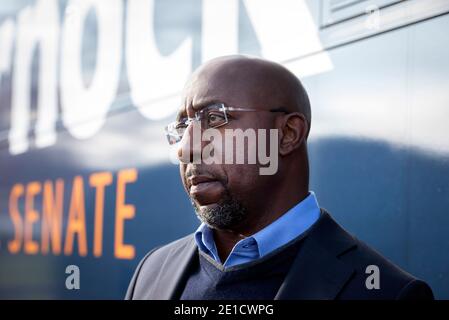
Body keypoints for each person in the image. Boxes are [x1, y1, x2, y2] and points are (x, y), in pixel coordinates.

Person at [125, 55, 433, 300]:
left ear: (287, 134)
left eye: (215, 118)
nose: (186, 149)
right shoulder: (152, 272)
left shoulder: (386, 292)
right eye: (182, 129)